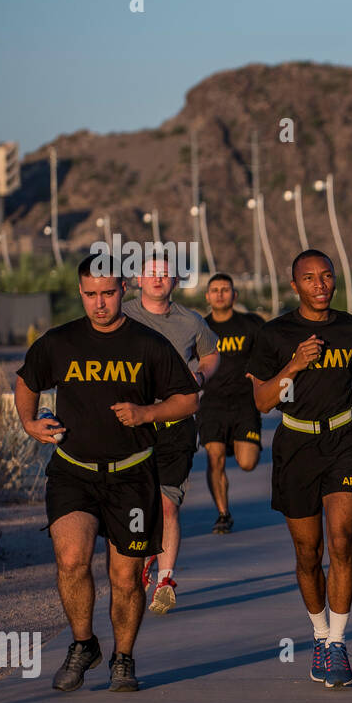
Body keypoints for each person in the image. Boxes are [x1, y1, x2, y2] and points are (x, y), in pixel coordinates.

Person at [14, 254, 200, 692]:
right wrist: (28, 423)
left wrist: (147, 412)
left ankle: (123, 657)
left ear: (124, 291)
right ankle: (83, 644)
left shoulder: (148, 344)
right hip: (73, 471)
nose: (100, 303)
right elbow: (28, 380)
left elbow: (188, 400)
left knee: (125, 576)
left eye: (109, 293)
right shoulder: (58, 342)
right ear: (80, 293)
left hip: (132, 476)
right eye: (91, 295)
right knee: (72, 560)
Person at [247, 249, 352, 688]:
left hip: (344, 439)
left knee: (341, 540)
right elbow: (262, 402)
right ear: (295, 286)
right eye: (309, 278)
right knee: (309, 555)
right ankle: (319, 635)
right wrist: (294, 363)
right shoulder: (275, 335)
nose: (320, 285)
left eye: (326, 276)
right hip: (294, 443)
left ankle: (339, 644)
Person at [122, 256, 220, 614]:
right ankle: (144, 558)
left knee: (166, 505)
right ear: (137, 279)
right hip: (132, 424)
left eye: (165, 273)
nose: (158, 278)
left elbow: (211, 355)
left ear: (176, 280)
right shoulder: (124, 315)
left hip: (177, 424)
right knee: (135, 506)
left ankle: (164, 580)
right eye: (151, 273)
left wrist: (202, 377)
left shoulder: (191, 321)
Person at [199, 273, 265, 533]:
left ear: (234, 295)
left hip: (244, 403)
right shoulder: (200, 328)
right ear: (207, 296)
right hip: (212, 403)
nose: (220, 294)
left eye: (225, 289)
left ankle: (233, 444)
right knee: (214, 458)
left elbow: (270, 352)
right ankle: (223, 514)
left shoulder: (251, 325)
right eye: (214, 290)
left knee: (248, 463)